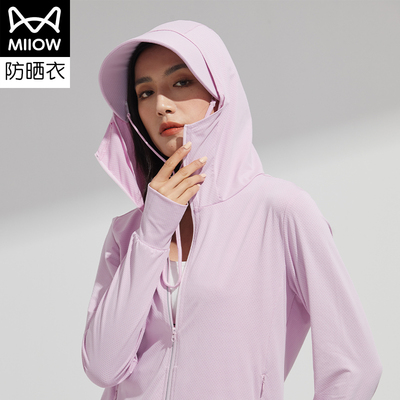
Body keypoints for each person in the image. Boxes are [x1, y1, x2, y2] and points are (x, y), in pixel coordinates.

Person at [81, 20, 382, 399]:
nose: (160, 105)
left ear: (220, 93)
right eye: (145, 92)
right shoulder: (129, 233)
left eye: (181, 82)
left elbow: (356, 365)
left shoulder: (280, 210)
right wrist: (153, 231)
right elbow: (103, 367)